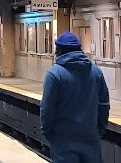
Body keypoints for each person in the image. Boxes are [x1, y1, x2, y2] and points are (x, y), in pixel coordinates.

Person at [41, 32, 110, 163]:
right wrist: (100, 129)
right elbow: (104, 104)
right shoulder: (96, 72)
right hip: (90, 136)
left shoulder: (54, 74)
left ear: (59, 50)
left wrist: (47, 131)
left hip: (62, 138)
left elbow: (47, 108)